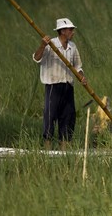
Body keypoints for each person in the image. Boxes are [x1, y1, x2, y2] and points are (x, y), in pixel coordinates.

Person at [33, 18, 87, 150]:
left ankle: (65, 151)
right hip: (53, 86)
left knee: (68, 117)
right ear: (62, 31)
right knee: (50, 117)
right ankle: (48, 150)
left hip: (68, 87)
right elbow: (36, 58)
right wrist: (42, 45)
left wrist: (82, 77)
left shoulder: (72, 47)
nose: (73, 32)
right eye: (70, 29)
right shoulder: (50, 45)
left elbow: (78, 67)